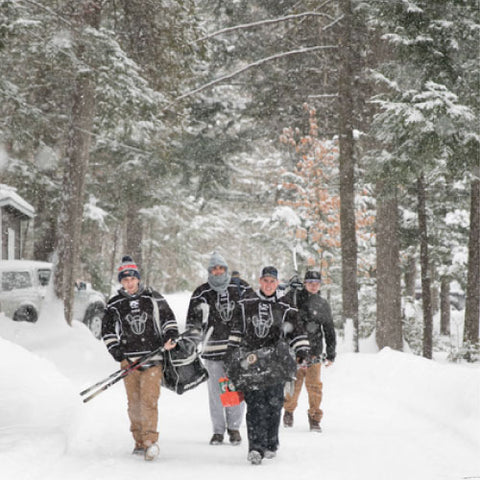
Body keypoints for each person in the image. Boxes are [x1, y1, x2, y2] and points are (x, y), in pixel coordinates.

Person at [225, 266, 310, 465]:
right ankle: (255, 448)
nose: (269, 285)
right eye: (266, 281)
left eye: (273, 281)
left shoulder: (286, 306)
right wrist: (231, 356)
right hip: (251, 363)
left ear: (277, 283)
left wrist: (302, 352)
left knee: (274, 405)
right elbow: (236, 333)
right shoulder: (246, 305)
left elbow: (297, 332)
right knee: (255, 406)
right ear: (260, 281)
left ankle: (271, 443)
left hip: (277, 364)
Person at [101, 255, 179, 461]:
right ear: (121, 281)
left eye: (132, 279)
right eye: (125, 279)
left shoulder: (152, 297)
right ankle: (137, 440)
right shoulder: (115, 303)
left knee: (148, 401)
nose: (129, 283)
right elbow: (107, 331)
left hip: (152, 359)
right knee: (133, 403)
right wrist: (116, 350)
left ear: (138, 278)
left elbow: (168, 319)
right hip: (129, 361)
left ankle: (149, 442)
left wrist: (171, 335)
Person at [185, 251, 254, 446]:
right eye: (214, 268)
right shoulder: (201, 292)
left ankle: (234, 428)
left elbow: (253, 312)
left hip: (236, 348)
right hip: (212, 349)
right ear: (209, 271)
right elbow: (193, 323)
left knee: (233, 388)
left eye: (221, 268)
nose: (217, 271)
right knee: (215, 392)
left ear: (226, 269)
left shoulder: (240, 288)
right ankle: (218, 431)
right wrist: (192, 340)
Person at [282, 270, 336, 432]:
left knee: (314, 387)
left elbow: (329, 329)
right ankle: (288, 410)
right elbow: (283, 309)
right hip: (296, 351)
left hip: (315, 351)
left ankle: (314, 417)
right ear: (305, 283)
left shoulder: (322, 304)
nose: (313, 286)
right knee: (294, 385)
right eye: (310, 283)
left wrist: (331, 352)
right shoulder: (295, 298)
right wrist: (292, 291)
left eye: (316, 283)